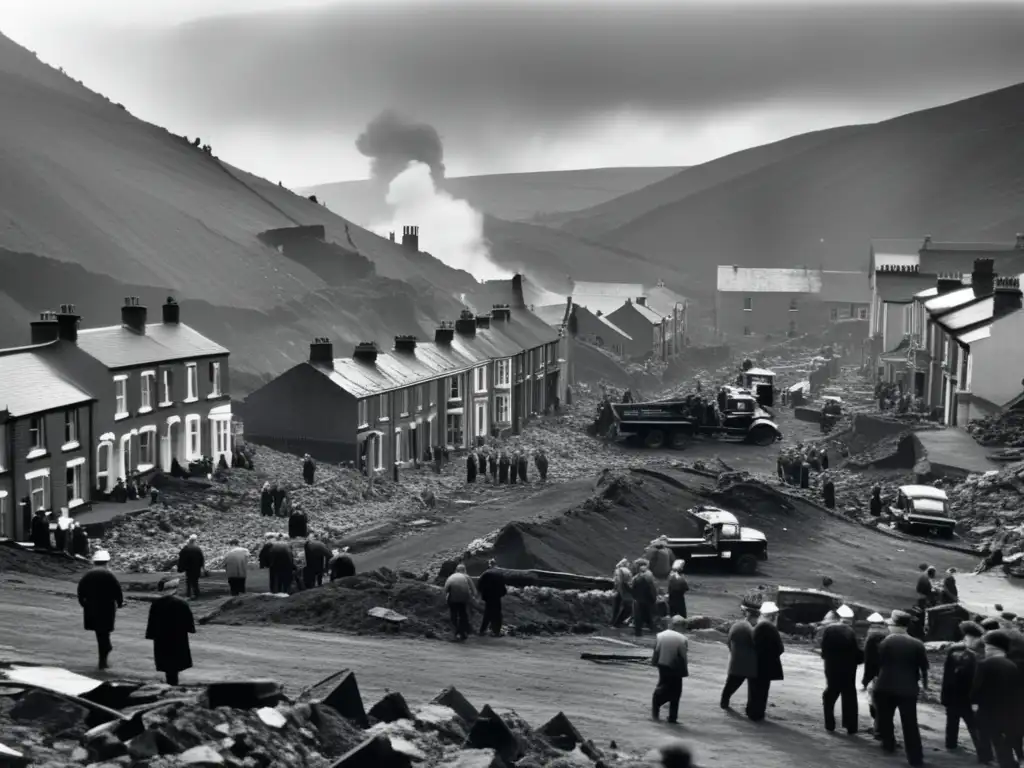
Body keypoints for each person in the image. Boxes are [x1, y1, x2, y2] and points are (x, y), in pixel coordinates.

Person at [875, 609, 928, 767]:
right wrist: (924, 686)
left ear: (896, 625)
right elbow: (924, 668)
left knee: (885, 718)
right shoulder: (917, 644)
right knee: (910, 724)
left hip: (885, 686)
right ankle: (915, 758)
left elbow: (878, 663)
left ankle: (888, 745)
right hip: (908, 689)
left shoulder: (886, 642)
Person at [972, 630, 1021, 768]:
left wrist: (974, 703)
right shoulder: (1011, 665)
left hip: (987, 708)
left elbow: (977, 687)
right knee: (1002, 739)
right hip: (1005, 709)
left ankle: (986, 760)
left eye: (987, 647)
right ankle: (1008, 762)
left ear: (991, 648)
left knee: (985, 736)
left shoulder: (984, 664)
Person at [941, 621, 987, 759]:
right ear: (973, 638)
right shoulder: (976, 655)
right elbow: (976, 680)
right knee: (974, 725)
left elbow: (947, 675)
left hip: (953, 694)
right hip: (967, 696)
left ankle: (951, 744)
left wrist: (945, 695)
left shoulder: (953, 650)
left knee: (952, 721)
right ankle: (983, 754)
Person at [77, 551, 123, 669]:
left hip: (92, 607)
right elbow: (117, 590)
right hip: (106, 607)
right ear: (107, 562)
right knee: (104, 632)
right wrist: (120, 603)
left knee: (99, 633)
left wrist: (83, 603)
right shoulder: (109, 574)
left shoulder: (88, 574)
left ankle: (103, 656)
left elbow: (80, 590)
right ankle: (104, 654)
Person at [820, 604, 862, 734]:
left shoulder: (829, 630)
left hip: (832, 668)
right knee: (849, 695)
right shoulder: (850, 632)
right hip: (849, 669)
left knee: (829, 695)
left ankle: (829, 723)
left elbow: (824, 651)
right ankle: (851, 726)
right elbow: (857, 653)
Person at [145, 577, 196, 686]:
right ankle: (173, 683)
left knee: (166, 662)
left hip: (161, 637)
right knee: (176, 662)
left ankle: (170, 681)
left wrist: (150, 634)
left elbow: (151, 622)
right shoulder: (181, 603)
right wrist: (190, 629)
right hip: (178, 637)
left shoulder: (156, 604)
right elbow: (189, 621)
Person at [748, 601, 784, 721]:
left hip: (755, 663)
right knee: (762, 690)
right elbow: (780, 648)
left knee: (754, 689)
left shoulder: (758, 626)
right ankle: (758, 713)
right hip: (767, 665)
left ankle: (752, 712)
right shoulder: (771, 628)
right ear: (772, 616)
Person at [651, 615, 689, 723]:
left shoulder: (660, 635)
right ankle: (672, 717)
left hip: (662, 665)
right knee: (676, 693)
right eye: (684, 627)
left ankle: (655, 713)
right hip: (675, 667)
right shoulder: (682, 638)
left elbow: (656, 651)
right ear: (679, 626)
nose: (685, 629)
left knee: (662, 685)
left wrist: (654, 663)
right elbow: (683, 657)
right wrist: (684, 672)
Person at [721, 606, 759, 710]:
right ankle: (750, 708)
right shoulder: (750, 628)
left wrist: (733, 652)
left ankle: (724, 702)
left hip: (735, 659)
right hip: (748, 661)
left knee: (731, 683)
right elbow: (755, 643)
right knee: (746, 685)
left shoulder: (736, 625)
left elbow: (728, 641)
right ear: (754, 618)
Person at [862, 611, 890, 738]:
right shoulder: (889, 634)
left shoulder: (871, 636)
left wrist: (866, 679)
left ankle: (878, 728)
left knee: (873, 702)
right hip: (889, 674)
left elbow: (869, 660)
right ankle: (883, 728)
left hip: (876, 675)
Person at [444, 564, 474, 641]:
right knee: (463, 615)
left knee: (453, 615)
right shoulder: (467, 577)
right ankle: (463, 632)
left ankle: (454, 633)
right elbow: (474, 591)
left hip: (453, 600)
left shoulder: (451, 577)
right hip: (463, 599)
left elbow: (446, 590)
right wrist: (473, 598)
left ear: (456, 570)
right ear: (465, 570)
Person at [477, 559, 507, 637]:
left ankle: (482, 631)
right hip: (497, 597)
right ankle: (496, 631)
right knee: (498, 614)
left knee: (487, 613)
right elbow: (503, 587)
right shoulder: (500, 573)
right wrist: (502, 594)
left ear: (489, 565)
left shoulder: (485, 573)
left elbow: (479, 585)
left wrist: (482, 595)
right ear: (495, 564)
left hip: (488, 597)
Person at [630, 560, 659, 637]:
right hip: (647, 601)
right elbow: (652, 590)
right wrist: (653, 599)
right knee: (648, 615)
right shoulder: (648, 579)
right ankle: (652, 630)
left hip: (638, 601)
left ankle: (638, 632)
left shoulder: (635, 579)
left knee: (638, 617)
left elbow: (632, 589)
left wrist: (634, 597)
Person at [176, 534, 205, 599]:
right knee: (195, 581)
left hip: (188, 568)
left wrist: (180, 568)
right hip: (196, 567)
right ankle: (196, 593)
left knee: (189, 580)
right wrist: (202, 567)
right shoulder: (198, 549)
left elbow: (181, 559)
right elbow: (202, 559)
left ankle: (189, 593)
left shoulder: (185, 548)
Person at [611, 559, 633, 627]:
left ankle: (613, 623)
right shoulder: (626, 571)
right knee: (628, 608)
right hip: (624, 590)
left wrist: (615, 590)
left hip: (618, 591)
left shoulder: (617, 571)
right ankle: (617, 623)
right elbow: (628, 583)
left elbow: (616, 582)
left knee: (616, 609)